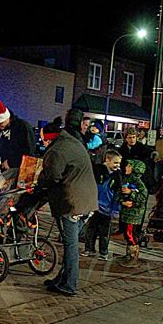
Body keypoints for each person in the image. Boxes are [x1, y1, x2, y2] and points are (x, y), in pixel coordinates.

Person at [37, 117, 98, 296]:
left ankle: (69, 284)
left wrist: (38, 182)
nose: (42, 143)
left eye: (43, 140)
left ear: (49, 138)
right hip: (87, 201)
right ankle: (62, 279)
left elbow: (52, 177)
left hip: (71, 203)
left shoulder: (57, 150)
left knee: (70, 244)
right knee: (69, 242)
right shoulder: (72, 141)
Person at [82, 148, 123, 260]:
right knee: (91, 229)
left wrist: (115, 209)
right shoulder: (98, 170)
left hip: (107, 209)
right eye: (115, 162)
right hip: (94, 206)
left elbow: (118, 193)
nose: (117, 165)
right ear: (107, 160)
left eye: (119, 163)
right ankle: (89, 249)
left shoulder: (117, 175)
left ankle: (103, 252)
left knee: (104, 233)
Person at [0, 100, 35, 177]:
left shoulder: (22, 127)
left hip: (22, 171)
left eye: (0, 123)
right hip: (6, 171)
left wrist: (11, 162)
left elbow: (29, 150)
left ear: (7, 118)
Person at [117, 159, 148, 268]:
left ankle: (133, 256)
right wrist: (121, 201)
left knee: (131, 234)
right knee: (126, 233)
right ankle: (128, 254)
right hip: (126, 212)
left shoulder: (138, 183)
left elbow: (143, 197)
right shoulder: (127, 179)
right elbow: (120, 193)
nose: (126, 168)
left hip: (134, 215)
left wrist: (131, 194)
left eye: (129, 166)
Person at [118, 127, 154, 191]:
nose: (132, 140)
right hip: (125, 176)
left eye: (134, 137)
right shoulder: (122, 149)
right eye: (129, 137)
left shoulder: (142, 148)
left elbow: (145, 164)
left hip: (139, 178)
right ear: (126, 138)